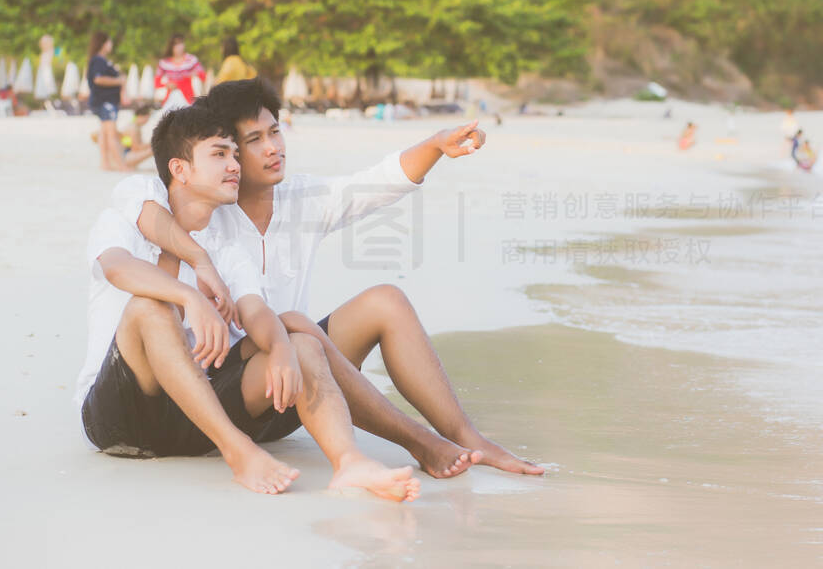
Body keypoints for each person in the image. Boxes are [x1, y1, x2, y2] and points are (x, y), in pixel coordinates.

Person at [115, 77, 544, 479]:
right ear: (226, 151)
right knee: (296, 330)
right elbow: (139, 201)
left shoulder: (303, 198)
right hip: (226, 386)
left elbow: (377, 182)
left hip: (291, 380)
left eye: (275, 132)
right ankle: (418, 443)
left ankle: (464, 436)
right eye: (253, 140)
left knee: (384, 301)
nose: (272, 148)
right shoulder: (202, 208)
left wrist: (435, 146)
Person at [79, 102, 421, 500]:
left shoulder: (225, 249)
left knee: (300, 341)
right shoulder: (123, 220)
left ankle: (350, 463)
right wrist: (190, 296)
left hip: (195, 421)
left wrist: (280, 348)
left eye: (235, 155)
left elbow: (256, 310)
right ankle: (240, 454)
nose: (235, 165)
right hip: (119, 419)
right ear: (180, 169)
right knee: (150, 307)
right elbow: (118, 267)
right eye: (219, 154)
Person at [87, 31, 128, 171]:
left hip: (101, 102)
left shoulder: (98, 60)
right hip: (105, 102)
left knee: (104, 133)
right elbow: (98, 79)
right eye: (109, 42)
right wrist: (119, 80)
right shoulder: (99, 61)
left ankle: (105, 163)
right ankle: (120, 165)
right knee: (111, 134)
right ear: (103, 44)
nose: (111, 45)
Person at [155, 33, 206, 109]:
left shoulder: (192, 60)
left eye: (181, 43)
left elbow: (203, 76)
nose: (179, 47)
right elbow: (156, 83)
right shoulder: (164, 62)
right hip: (170, 98)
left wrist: (195, 74)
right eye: (176, 44)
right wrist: (167, 85)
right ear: (171, 46)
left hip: (188, 98)